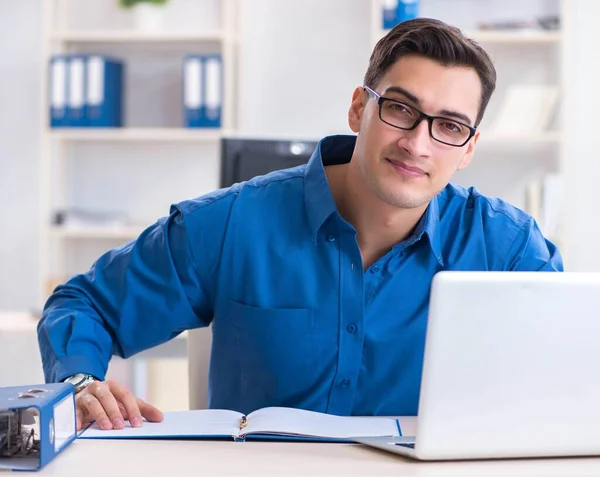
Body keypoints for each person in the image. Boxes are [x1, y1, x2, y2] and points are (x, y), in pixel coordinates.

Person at [37, 17, 563, 432]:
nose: (417, 144)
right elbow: (84, 304)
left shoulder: (508, 248)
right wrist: (81, 384)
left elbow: (568, 369)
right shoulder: (232, 223)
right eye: (401, 109)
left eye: (449, 126)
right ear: (359, 109)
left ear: (469, 149)